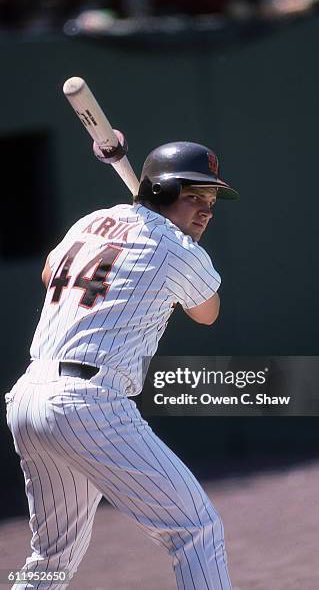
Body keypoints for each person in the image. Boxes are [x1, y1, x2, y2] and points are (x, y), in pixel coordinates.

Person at [5, 141, 238, 590]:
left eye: (211, 201)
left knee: (52, 556)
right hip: (89, 404)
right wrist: (166, 251)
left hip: (28, 399)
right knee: (196, 529)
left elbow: (50, 271)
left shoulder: (91, 221)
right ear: (162, 190)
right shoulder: (179, 249)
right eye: (194, 195)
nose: (207, 210)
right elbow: (208, 313)